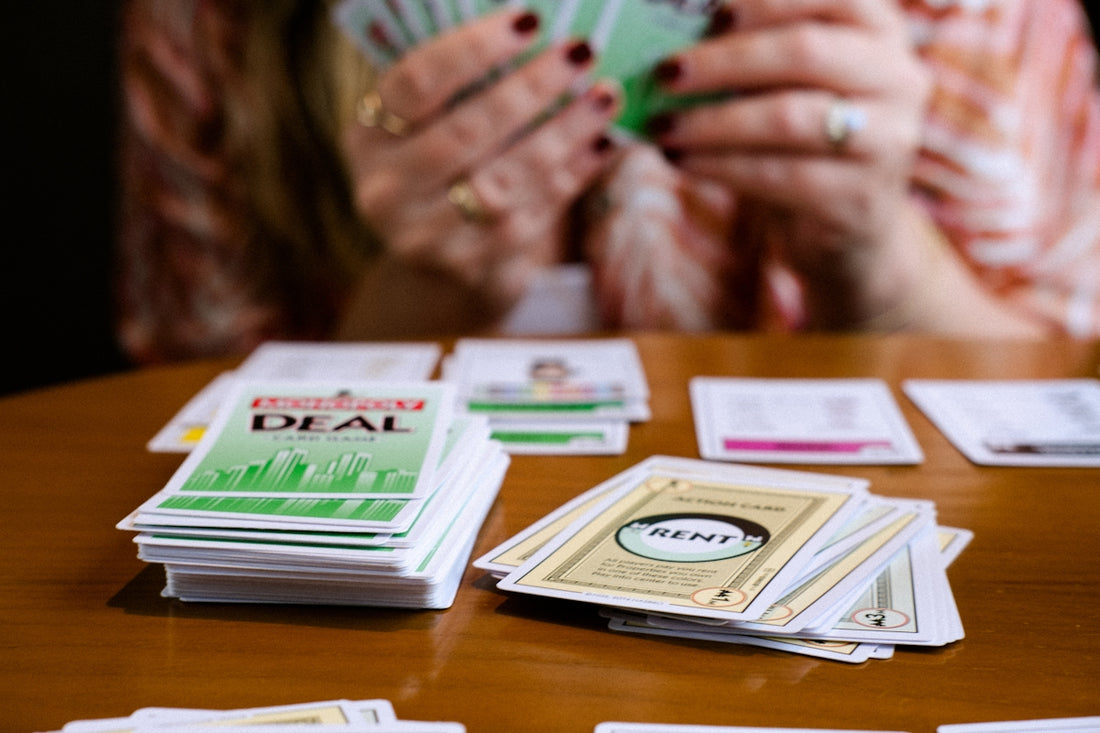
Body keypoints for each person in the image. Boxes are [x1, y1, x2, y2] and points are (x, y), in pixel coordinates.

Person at [116, 0, 1100, 365]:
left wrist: (874, 256)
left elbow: (1049, 438)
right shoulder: (220, 26)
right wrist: (423, 296)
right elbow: (176, 451)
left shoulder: (975, 22)